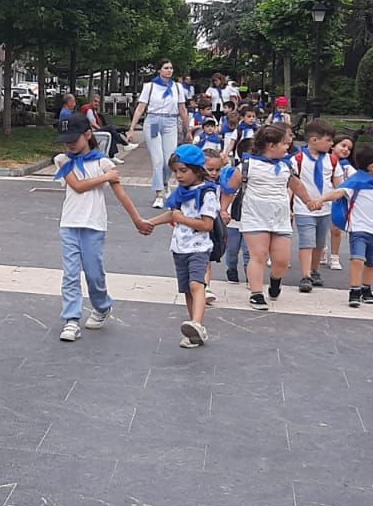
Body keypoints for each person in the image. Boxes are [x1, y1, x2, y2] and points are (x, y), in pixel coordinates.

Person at [49, 117, 143, 343]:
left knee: (94, 273)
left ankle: (102, 305)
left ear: (88, 134)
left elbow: (120, 193)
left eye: (74, 138)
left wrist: (137, 219)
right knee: (70, 274)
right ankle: (71, 319)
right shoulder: (63, 160)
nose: (69, 144)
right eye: (66, 140)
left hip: (93, 225)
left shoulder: (103, 163)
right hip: (70, 224)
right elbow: (78, 186)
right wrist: (105, 177)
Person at [221, 123, 322, 311]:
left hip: (280, 217)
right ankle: (256, 293)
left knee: (282, 259)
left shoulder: (286, 166)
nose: (288, 147)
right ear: (271, 145)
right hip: (254, 217)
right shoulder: (247, 165)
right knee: (258, 255)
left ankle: (275, 282)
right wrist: (224, 210)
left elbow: (296, 185)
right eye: (284, 144)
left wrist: (309, 201)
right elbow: (229, 189)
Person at [140, 145, 223, 349]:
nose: (178, 175)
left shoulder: (207, 194)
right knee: (186, 289)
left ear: (197, 169)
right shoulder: (181, 192)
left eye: (183, 170)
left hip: (199, 247)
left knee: (197, 284)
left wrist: (182, 219)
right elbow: (172, 214)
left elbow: (206, 224)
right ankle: (193, 328)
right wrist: (151, 222)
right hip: (179, 247)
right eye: (176, 171)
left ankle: (197, 323)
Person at [320, 142, 373, 308]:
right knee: (357, 260)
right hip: (358, 229)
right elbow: (340, 192)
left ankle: (366, 288)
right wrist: (321, 199)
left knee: (371, 262)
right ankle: (354, 290)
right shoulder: (356, 184)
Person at [126, 60, 191, 209]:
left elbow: (182, 109)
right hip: (153, 120)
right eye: (166, 68)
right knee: (157, 160)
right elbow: (141, 107)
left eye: (171, 68)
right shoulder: (150, 87)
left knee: (170, 159)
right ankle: (159, 193)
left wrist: (188, 129)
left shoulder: (177, 87)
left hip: (170, 122)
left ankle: (165, 182)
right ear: (159, 70)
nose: (169, 71)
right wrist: (132, 128)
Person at [290, 120, 338, 293]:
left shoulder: (332, 160)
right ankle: (305, 275)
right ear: (314, 140)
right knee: (307, 242)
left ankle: (315, 270)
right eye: (329, 140)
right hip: (304, 208)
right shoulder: (297, 159)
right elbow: (292, 183)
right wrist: (290, 205)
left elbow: (337, 184)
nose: (332, 144)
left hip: (325, 208)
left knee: (319, 242)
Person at [220, 136, 252, 283]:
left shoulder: (258, 172)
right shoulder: (232, 171)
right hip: (233, 219)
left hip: (250, 218)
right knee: (232, 249)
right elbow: (226, 191)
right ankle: (231, 269)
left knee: (249, 251)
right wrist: (223, 210)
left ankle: (249, 274)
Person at [327, 133, 357, 271]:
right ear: (333, 145)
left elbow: (354, 181)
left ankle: (334, 256)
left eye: (349, 148)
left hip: (338, 201)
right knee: (319, 229)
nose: (346, 149)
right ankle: (321, 251)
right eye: (343, 145)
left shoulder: (347, 167)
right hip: (322, 198)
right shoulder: (323, 161)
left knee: (336, 229)